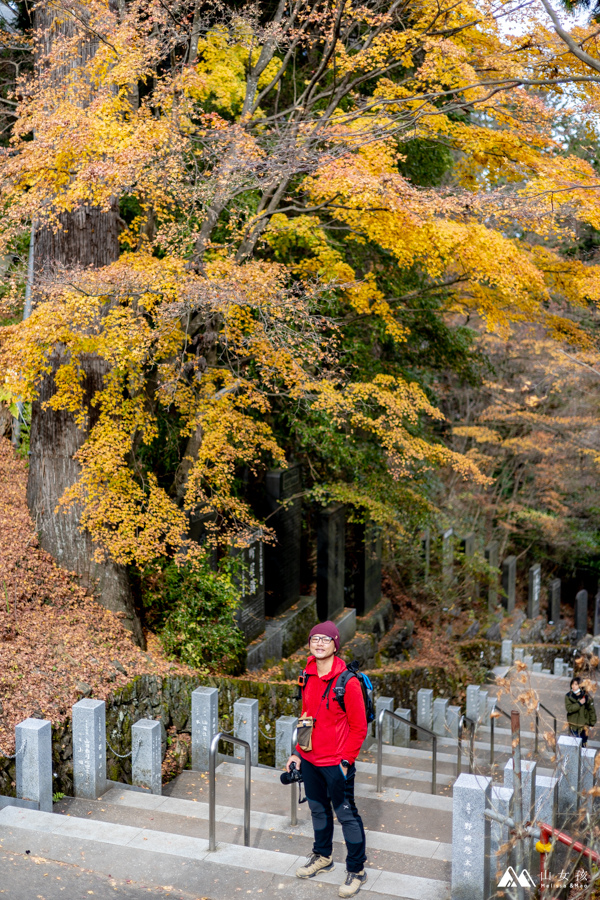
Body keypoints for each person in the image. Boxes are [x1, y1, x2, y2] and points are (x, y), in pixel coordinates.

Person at [285, 621, 368, 898]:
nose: (319, 643)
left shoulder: (349, 681)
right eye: (314, 639)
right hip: (310, 760)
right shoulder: (307, 674)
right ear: (309, 643)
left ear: (335, 645)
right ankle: (323, 857)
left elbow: (359, 727)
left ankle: (356, 870)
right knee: (318, 811)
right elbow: (306, 716)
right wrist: (298, 752)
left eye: (325, 639)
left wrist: (346, 760)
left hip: (337, 762)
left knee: (346, 814)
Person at [565, 676, 597, 747]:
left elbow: (591, 711)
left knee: (583, 744)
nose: (573, 686)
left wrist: (592, 723)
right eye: (572, 684)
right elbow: (569, 708)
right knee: (574, 745)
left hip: (584, 725)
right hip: (573, 724)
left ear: (580, 686)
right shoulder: (568, 696)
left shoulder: (586, 697)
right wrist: (579, 703)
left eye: (576, 684)